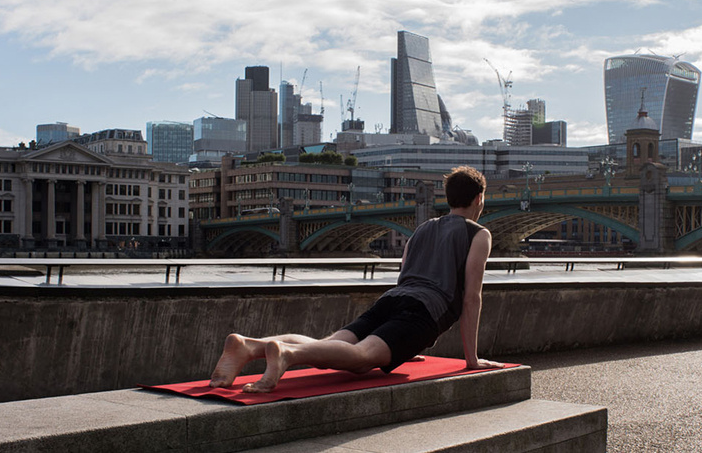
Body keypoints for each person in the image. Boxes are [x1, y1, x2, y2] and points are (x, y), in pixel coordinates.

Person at [209, 165, 504, 393]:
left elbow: (405, 274)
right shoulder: (478, 233)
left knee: (331, 346)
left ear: (448, 197)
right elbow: (470, 297)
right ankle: (284, 353)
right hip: (422, 312)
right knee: (362, 357)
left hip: (392, 300)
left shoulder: (423, 228)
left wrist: (405, 347)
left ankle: (250, 346)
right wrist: (472, 359)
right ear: (479, 198)